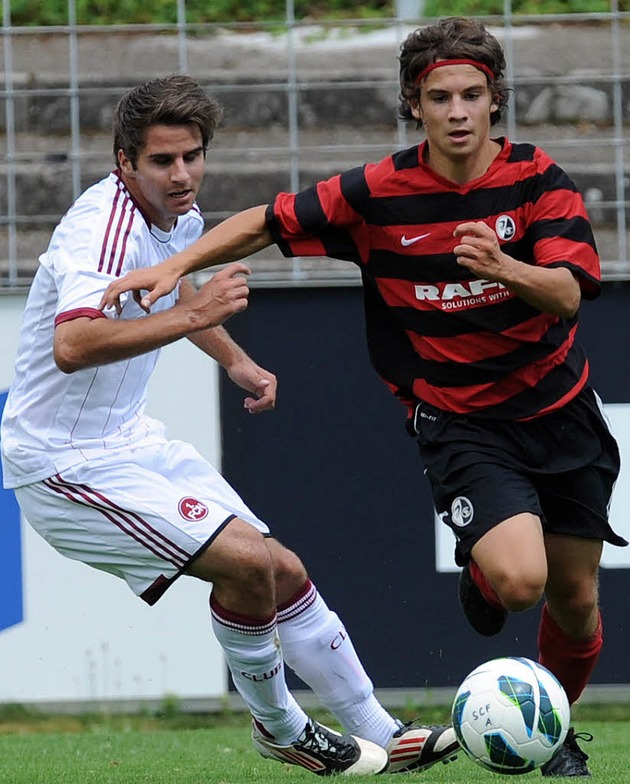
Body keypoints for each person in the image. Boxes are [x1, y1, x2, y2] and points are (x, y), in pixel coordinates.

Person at [99, 19, 630, 778]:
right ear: (414, 104)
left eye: (471, 95)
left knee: (576, 599)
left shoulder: (539, 180)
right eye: (439, 96)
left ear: (493, 100)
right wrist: (174, 264)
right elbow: (267, 221)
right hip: (462, 420)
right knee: (520, 582)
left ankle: (557, 730)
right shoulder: (378, 192)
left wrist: (503, 266)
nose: (456, 111)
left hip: (562, 410)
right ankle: (485, 573)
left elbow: (569, 295)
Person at [0, 75, 460, 777]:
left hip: (128, 440)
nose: (182, 175)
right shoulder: (100, 228)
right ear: (124, 163)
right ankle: (280, 727)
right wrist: (197, 316)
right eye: (161, 161)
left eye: (192, 156)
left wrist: (235, 360)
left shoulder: (175, 220)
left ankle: (382, 731)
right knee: (246, 567)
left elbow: (175, 287)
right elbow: (74, 345)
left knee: (282, 570)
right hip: (63, 466)